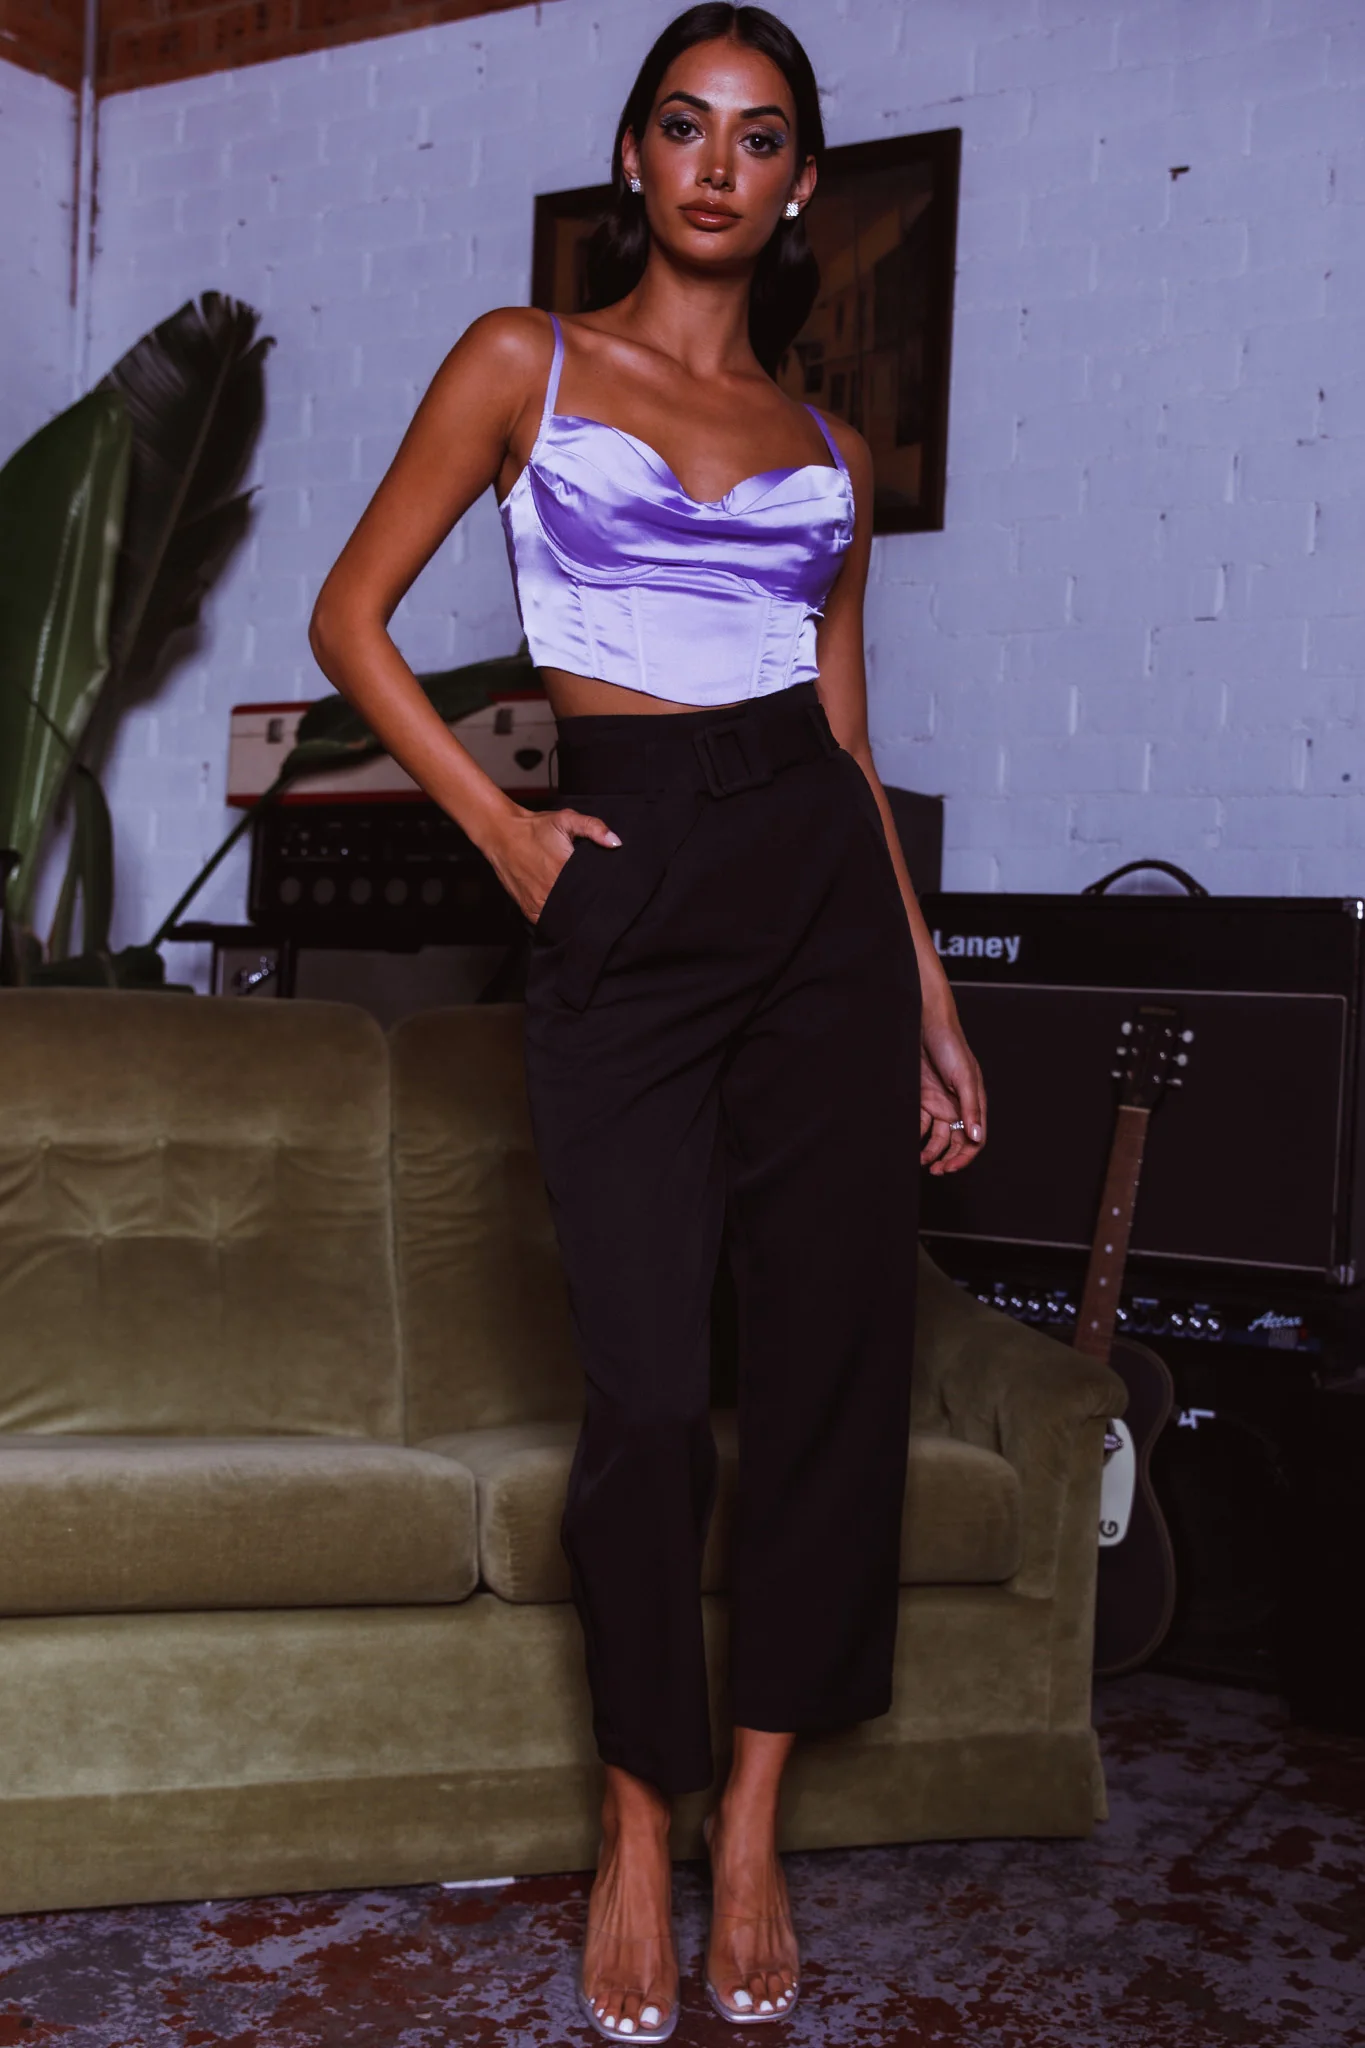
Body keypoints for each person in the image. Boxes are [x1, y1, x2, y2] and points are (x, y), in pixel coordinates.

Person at [310, 5, 986, 2036]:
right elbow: (348, 617)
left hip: (817, 892)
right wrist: (502, 830)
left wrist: (929, 996)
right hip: (626, 878)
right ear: (633, 157)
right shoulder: (520, 362)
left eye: (757, 138)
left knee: (829, 1365)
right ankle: (636, 1817)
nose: (715, 164)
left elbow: (848, 739)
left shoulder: (825, 450)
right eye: (683, 126)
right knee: (645, 1389)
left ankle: (752, 1822)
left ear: (798, 188)